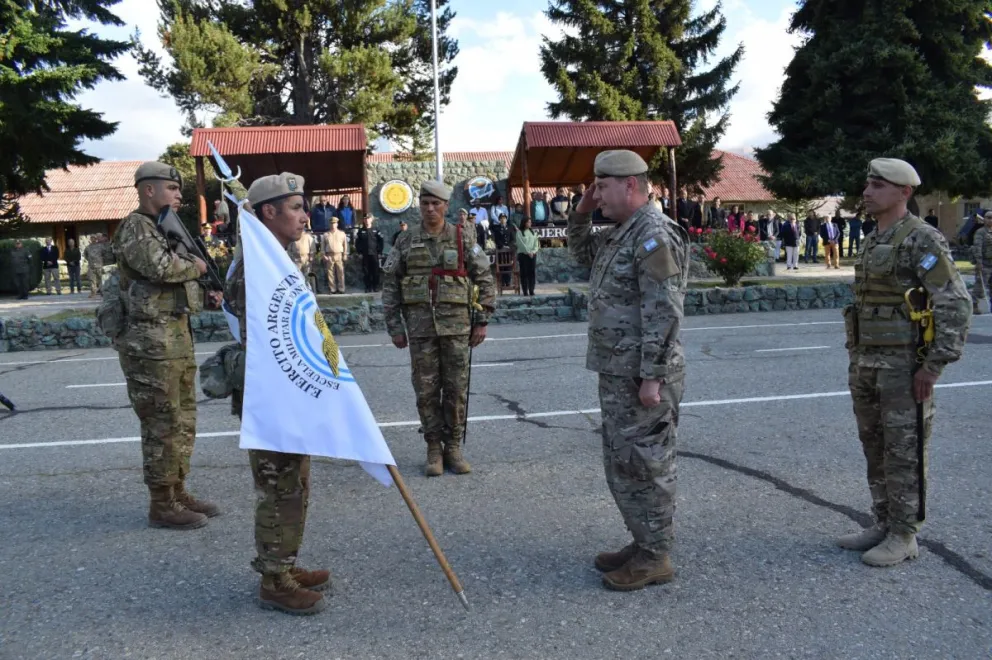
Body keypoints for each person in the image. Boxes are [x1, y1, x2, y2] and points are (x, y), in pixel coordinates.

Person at [838, 158, 971, 567]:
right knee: (874, 446)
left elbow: (955, 303)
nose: (867, 191)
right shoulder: (874, 237)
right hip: (866, 362)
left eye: (878, 185)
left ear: (904, 193)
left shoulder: (922, 240)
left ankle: (904, 534)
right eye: (867, 183)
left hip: (903, 366)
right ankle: (882, 521)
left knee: (904, 450)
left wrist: (933, 366)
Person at [568, 150, 690, 591]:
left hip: (643, 377)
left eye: (602, 186)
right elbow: (579, 250)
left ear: (630, 186)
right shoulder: (623, 232)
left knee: (647, 464)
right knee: (625, 464)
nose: (595, 194)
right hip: (620, 371)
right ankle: (643, 542)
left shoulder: (654, 235)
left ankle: (656, 556)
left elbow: (665, 310)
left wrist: (654, 377)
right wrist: (582, 210)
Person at [225, 172, 330, 615]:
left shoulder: (278, 257)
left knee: (295, 482)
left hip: (289, 390)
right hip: (272, 395)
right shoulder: (256, 265)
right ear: (268, 212)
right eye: (295, 207)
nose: (305, 215)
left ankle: (284, 564)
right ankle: (274, 580)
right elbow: (269, 337)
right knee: (278, 485)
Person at [113, 161, 219, 529]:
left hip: (174, 335)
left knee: (183, 418)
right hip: (149, 343)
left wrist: (206, 291)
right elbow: (160, 268)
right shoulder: (136, 228)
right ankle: (161, 503)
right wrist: (198, 267)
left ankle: (178, 490)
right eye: (172, 189)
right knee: (161, 422)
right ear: (148, 190)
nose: (178, 195)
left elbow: (174, 277)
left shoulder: (162, 228)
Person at [381, 180, 496, 477]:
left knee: (456, 390)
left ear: (446, 206)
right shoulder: (405, 241)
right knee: (426, 390)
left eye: (436, 203)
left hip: (457, 329)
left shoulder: (462, 236)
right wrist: (395, 326)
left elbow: (483, 277)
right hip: (420, 330)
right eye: (425, 203)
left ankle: (454, 447)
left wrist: (482, 320)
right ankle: (433, 448)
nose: (430, 209)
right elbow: (391, 284)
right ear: (419, 206)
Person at [354, 214, 384, 292]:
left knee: (375, 271)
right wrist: (359, 252)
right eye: (365, 219)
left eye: (368, 218)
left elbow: (381, 241)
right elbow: (357, 243)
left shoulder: (376, 230)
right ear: (364, 220)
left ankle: (376, 286)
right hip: (365, 254)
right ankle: (368, 287)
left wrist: (380, 252)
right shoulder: (361, 231)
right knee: (366, 271)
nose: (367, 220)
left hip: (374, 254)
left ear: (371, 220)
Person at [971, 211, 992, 315]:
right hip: (984, 264)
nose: (990, 220)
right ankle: (974, 305)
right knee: (979, 287)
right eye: (988, 217)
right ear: (984, 219)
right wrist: (979, 262)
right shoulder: (981, 232)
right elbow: (977, 247)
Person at [320, 217, 348, 293]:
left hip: (339, 255)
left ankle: (341, 288)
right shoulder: (326, 234)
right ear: (330, 224)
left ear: (337, 224)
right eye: (332, 223)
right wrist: (323, 255)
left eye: (334, 223)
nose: (333, 225)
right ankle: (332, 289)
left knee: (340, 272)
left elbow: (345, 245)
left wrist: (345, 254)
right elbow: (322, 246)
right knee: (330, 273)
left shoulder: (342, 234)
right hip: (329, 255)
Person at [515, 217, 539, 296]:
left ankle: (531, 290)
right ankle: (525, 290)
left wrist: (533, 251)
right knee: (524, 273)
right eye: (528, 222)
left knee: (532, 273)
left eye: (530, 222)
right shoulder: (519, 232)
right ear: (524, 223)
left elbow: (536, 243)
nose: (530, 223)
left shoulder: (533, 232)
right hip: (523, 255)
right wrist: (528, 252)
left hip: (532, 255)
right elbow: (520, 244)